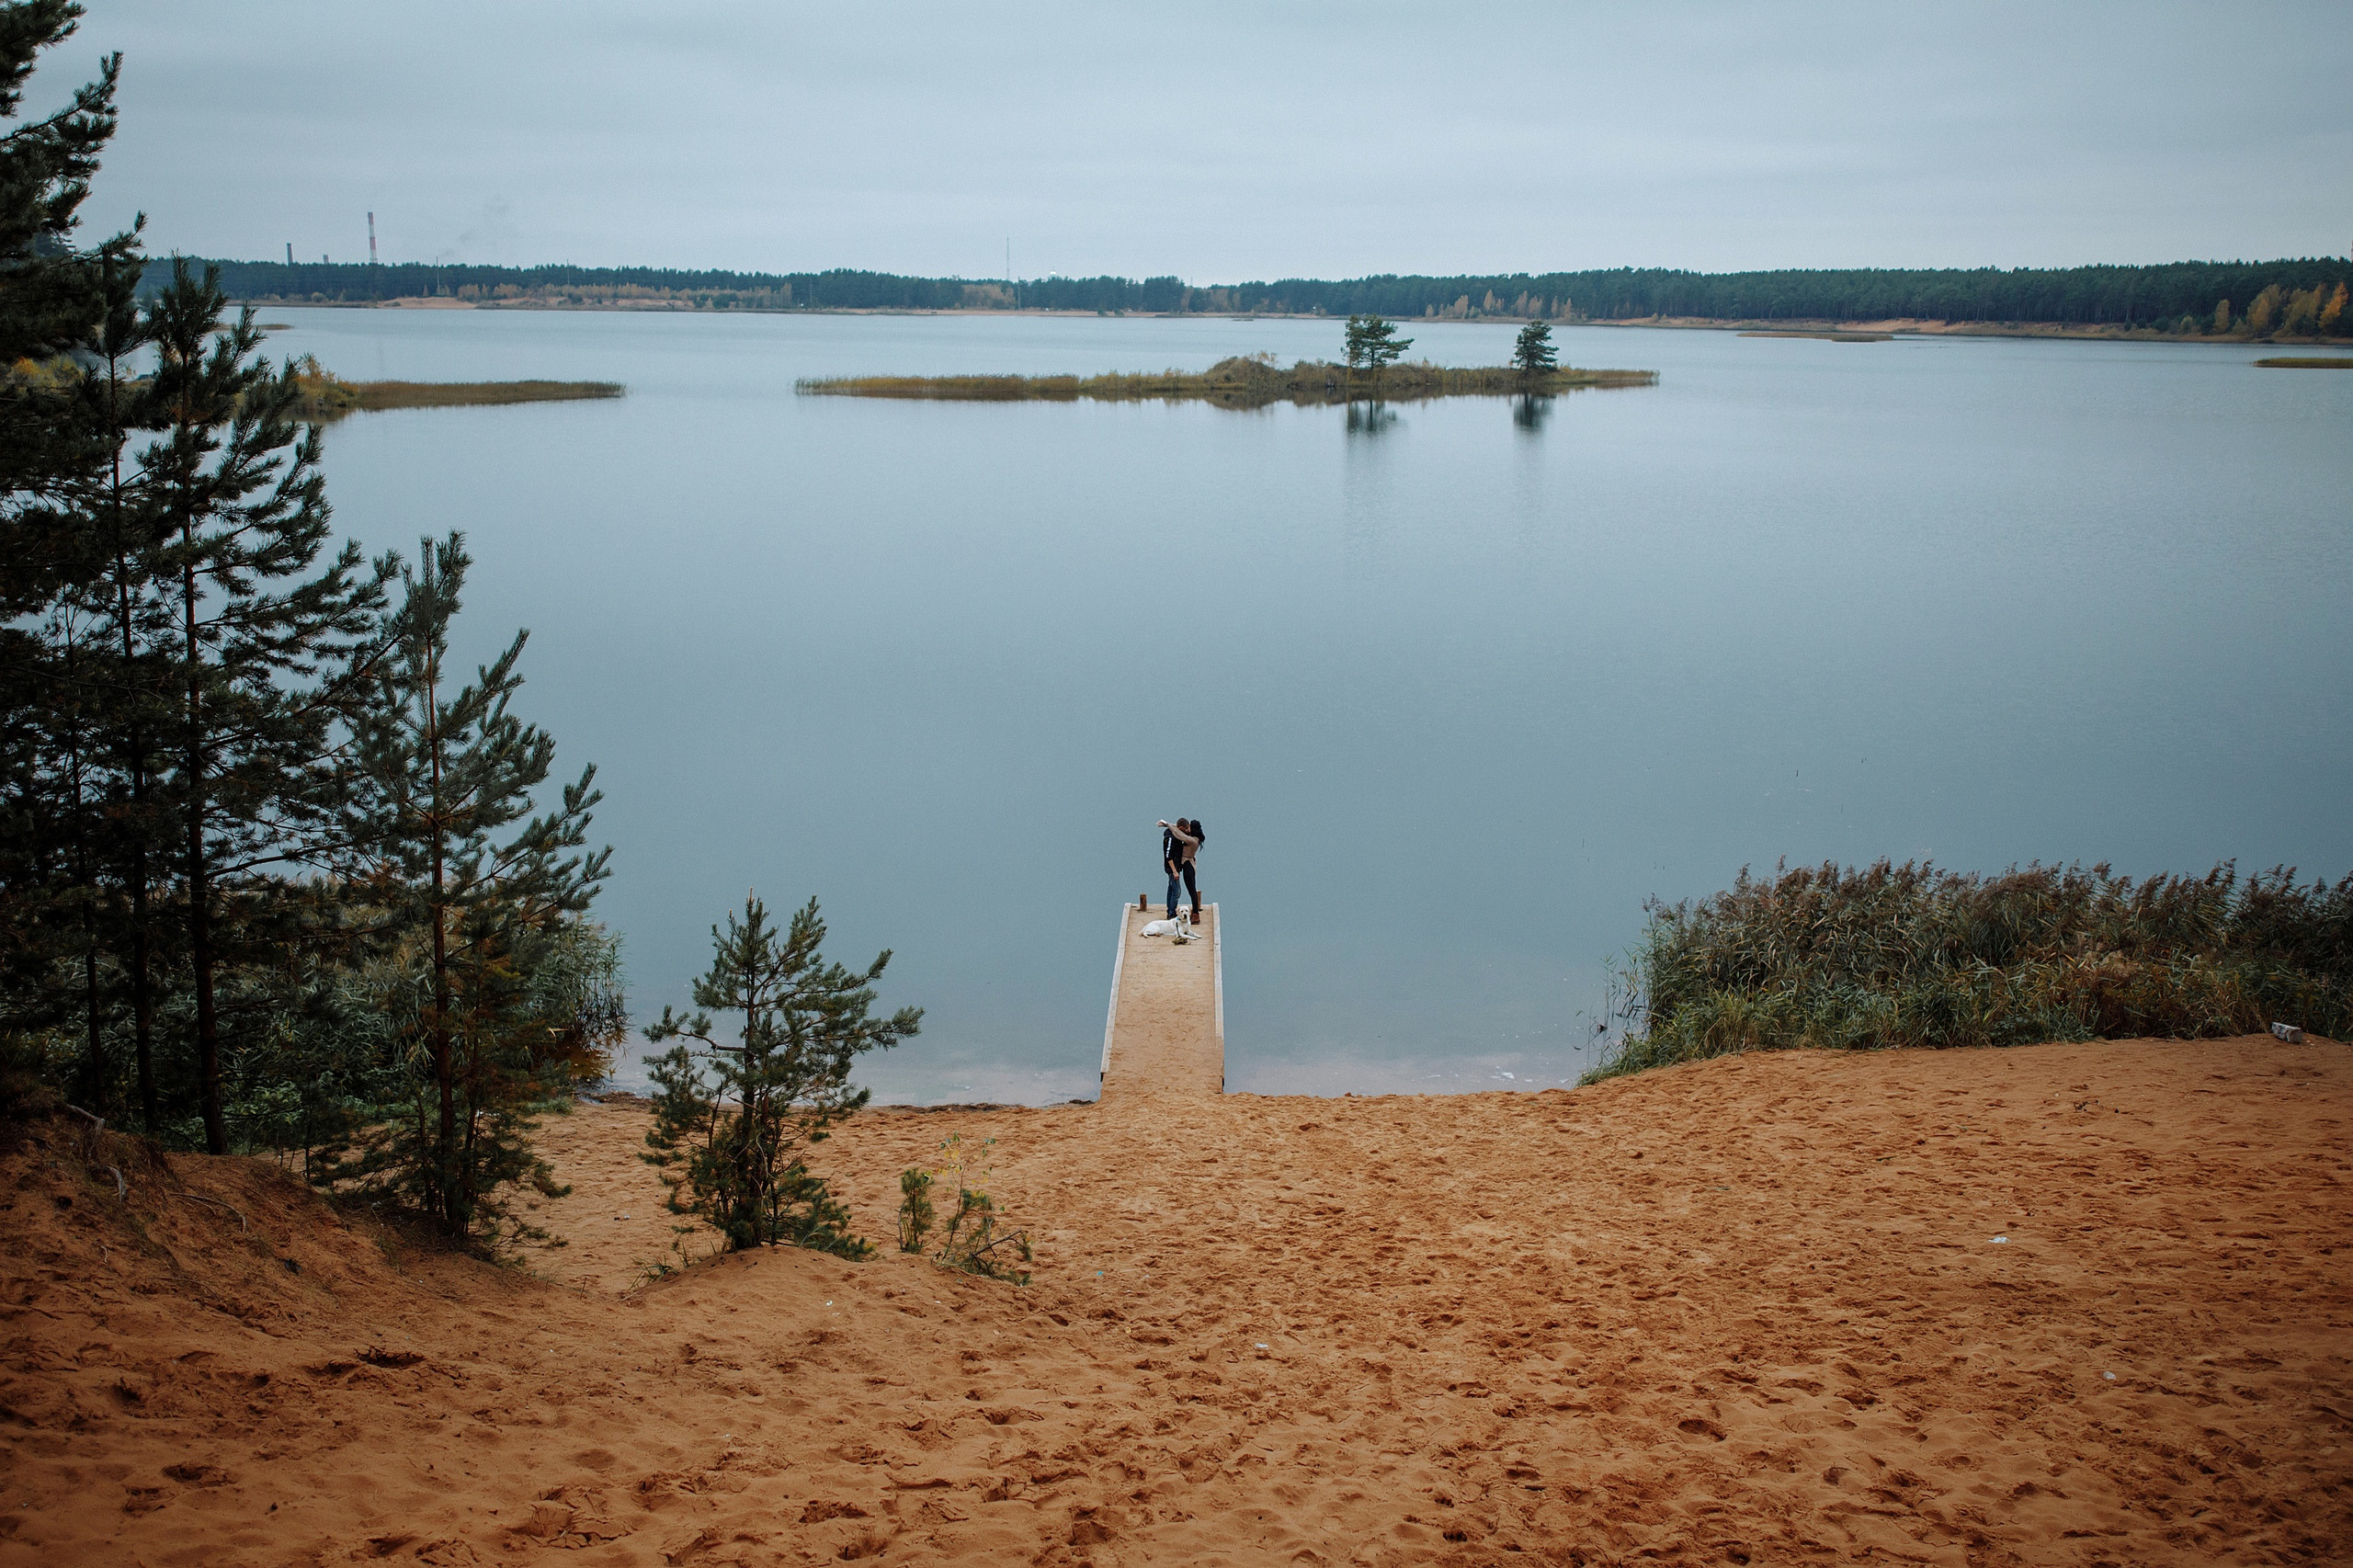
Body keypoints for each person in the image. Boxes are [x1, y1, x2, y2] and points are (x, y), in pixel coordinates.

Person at [1160, 817, 1204, 922]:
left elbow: (1179, 833)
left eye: (1189, 827)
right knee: (1175, 888)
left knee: (1191, 890)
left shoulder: (1192, 840)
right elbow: (1179, 829)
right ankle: (1172, 911)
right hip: (1186, 864)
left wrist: (1167, 824)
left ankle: (1195, 914)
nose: (1187, 829)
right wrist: (1168, 824)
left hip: (1188, 865)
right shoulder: (1191, 836)